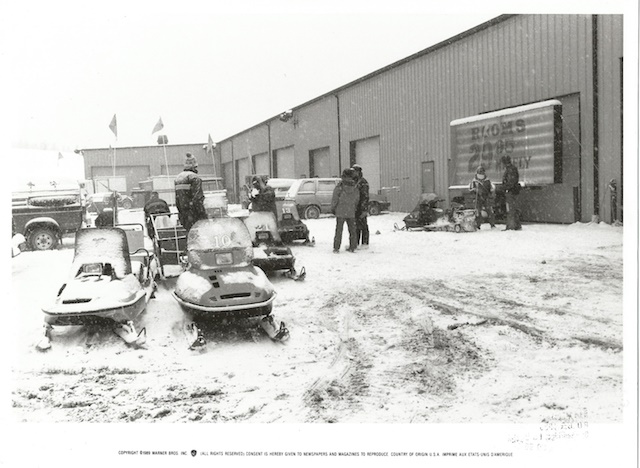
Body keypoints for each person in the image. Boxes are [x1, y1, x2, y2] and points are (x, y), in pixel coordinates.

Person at [174, 153, 207, 232]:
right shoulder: (195, 178)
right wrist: (202, 215)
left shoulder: (178, 178)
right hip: (194, 215)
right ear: (194, 166)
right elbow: (197, 198)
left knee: (189, 237)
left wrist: (182, 214)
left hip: (184, 215)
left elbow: (177, 200)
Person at [331, 168, 360, 253]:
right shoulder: (355, 187)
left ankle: (336, 247)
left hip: (340, 211)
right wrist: (353, 207)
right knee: (352, 230)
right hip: (351, 211)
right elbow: (357, 199)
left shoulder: (340, 186)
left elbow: (335, 198)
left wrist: (333, 208)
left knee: (339, 230)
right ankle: (353, 246)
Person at [501, 155, 522, 230]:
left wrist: (504, 187)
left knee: (510, 209)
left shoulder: (510, 170)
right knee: (514, 208)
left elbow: (510, 182)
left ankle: (511, 226)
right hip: (514, 191)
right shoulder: (513, 169)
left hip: (511, 191)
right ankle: (517, 225)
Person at [352, 164, 370, 248]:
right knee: (356, 226)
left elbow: (365, 196)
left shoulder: (363, 182)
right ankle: (356, 242)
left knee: (363, 225)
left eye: (355, 171)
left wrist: (364, 209)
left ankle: (365, 243)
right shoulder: (353, 182)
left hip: (361, 207)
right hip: (355, 207)